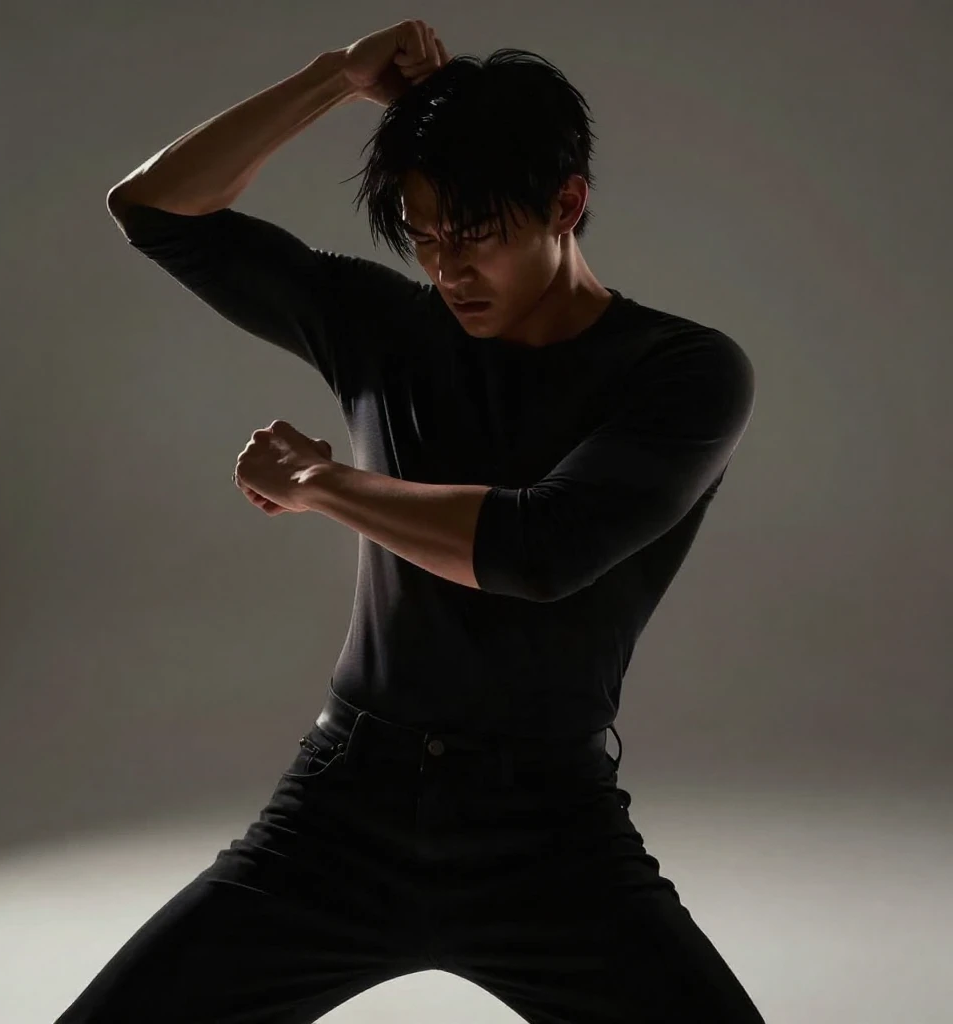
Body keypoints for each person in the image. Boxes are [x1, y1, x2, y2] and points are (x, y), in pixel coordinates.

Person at [59, 19, 764, 1023]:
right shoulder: (384, 329)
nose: (446, 267)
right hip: (342, 812)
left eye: (473, 233)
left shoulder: (683, 371)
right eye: (423, 235)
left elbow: (540, 549)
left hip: (548, 833)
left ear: (567, 204)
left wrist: (323, 483)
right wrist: (334, 79)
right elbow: (154, 210)